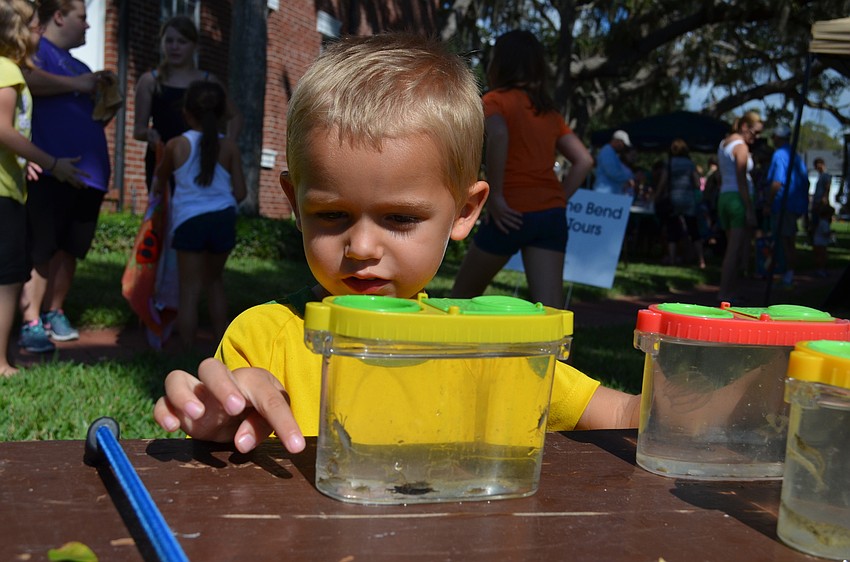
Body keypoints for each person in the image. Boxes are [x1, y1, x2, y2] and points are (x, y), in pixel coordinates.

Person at [153, 33, 640, 455]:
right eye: (332, 214)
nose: (362, 246)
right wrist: (223, 411)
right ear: (296, 206)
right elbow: (223, 427)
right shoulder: (263, 340)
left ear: (465, 212)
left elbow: (621, 412)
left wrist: (694, 393)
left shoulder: (493, 349)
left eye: (400, 218)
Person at [449, 30, 593, 308]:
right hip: (550, 216)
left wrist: (497, 197)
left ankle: (448, 349)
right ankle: (561, 354)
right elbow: (584, 160)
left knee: (461, 298)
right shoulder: (549, 113)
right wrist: (559, 199)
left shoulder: (495, 100)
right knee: (552, 311)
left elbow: (499, 134)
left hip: (508, 214)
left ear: (498, 64)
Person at [18, 0, 113, 353]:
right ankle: (30, 322)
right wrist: (79, 83)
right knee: (41, 248)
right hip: (49, 168)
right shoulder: (33, 50)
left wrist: (105, 100)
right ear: (58, 16)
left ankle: (53, 313)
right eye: (82, 18)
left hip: (88, 176)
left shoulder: (80, 66)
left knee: (70, 249)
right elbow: (25, 78)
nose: (87, 26)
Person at [0, 0, 85, 372]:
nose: (39, 33)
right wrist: (48, 162)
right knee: (7, 279)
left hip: (11, 184)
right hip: (3, 193)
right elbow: (3, 129)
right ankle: (1, 364)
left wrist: (22, 162)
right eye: (35, 27)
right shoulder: (7, 71)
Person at [151, 81, 246, 350]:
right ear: (219, 114)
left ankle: (187, 352)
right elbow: (240, 192)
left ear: (186, 112)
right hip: (222, 220)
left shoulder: (176, 145)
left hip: (189, 222)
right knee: (215, 282)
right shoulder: (228, 147)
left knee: (189, 289)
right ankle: (223, 350)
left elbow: (160, 178)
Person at [133, 15, 242, 191]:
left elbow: (234, 116)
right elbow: (138, 130)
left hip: (202, 159)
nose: (174, 47)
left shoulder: (208, 82)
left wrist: (228, 144)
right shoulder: (150, 81)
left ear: (195, 45)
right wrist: (149, 134)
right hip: (163, 159)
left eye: (182, 41)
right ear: (162, 43)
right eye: (169, 41)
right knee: (165, 214)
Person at [716, 110, 762, 304]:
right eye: (754, 132)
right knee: (735, 251)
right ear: (744, 127)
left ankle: (730, 291)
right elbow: (742, 179)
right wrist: (749, 209)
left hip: (725, 197)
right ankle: (725, 293)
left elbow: (720, 175)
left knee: (732, 248)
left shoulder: (724, 143)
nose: (756, 138)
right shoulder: (740, 147)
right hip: (737, 199)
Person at [765, 124, 808, 288]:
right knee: (788, 239)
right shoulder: (794, 155)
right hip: (793, 204)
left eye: (773, 136)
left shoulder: (780, 155)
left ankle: (788, 274)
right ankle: (786, 272)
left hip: (784, 204)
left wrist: (768, 202)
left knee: (786, 240)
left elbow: (777, 182)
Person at [654, 139, 705, 268]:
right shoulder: (690, 164)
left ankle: (672, 258)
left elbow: (663, 182)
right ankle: (701, 260)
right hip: (688, 199)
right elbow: (697, 183)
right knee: (693, 229)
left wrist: (657, 195)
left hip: (673, 199)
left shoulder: (669, 163)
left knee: (672, 230)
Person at [593, 129, 634, 195]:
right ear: (618, 141)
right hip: (604, 193)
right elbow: (612, 171)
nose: (623, 147)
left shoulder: (612, 153)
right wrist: (627, 179)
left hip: (609, 192)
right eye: (623, 144)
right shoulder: (607, 151)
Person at [809, 157, 831, 242]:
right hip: (817, 202)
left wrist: (824, 198)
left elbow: (827, 187)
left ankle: (821, 241)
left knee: (819, 223)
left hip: (820, 203)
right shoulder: (821, 176)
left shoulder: (825, 175)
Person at [812, 203, 834, 278]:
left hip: (818, 241)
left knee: (819, 256)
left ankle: (819, 270)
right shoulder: (824, 223)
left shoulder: (820, 221)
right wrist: (831, 233)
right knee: (822, 256)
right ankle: (820, 270)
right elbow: (825, 233)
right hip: (821, 242)